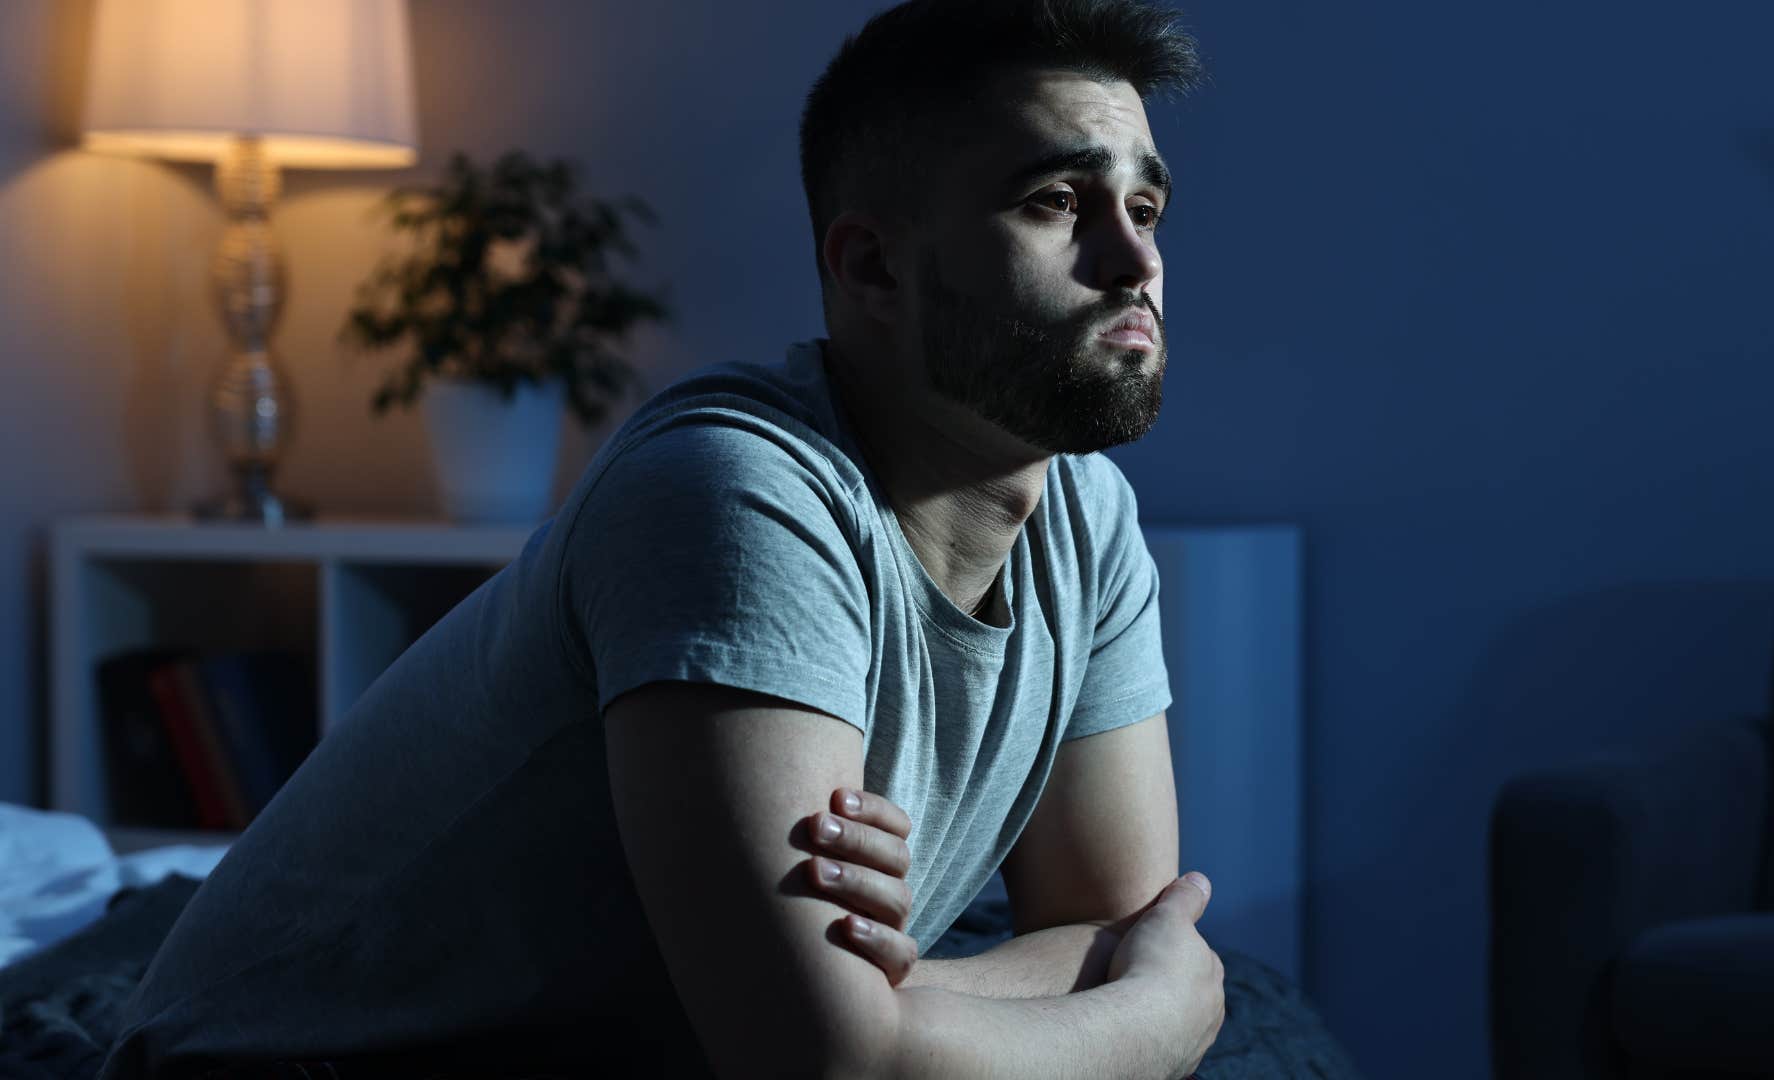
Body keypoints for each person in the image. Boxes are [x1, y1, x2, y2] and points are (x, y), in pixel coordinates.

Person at [98, 1, 1224, 1076]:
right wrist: (1166, 1019)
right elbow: (829, 1057)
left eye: (1146, 207)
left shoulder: (1087, 519)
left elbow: (1112, 932)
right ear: (871, 266)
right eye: (1056, 202)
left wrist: (904, 1002)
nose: (1134, 260)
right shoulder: (732, 497)